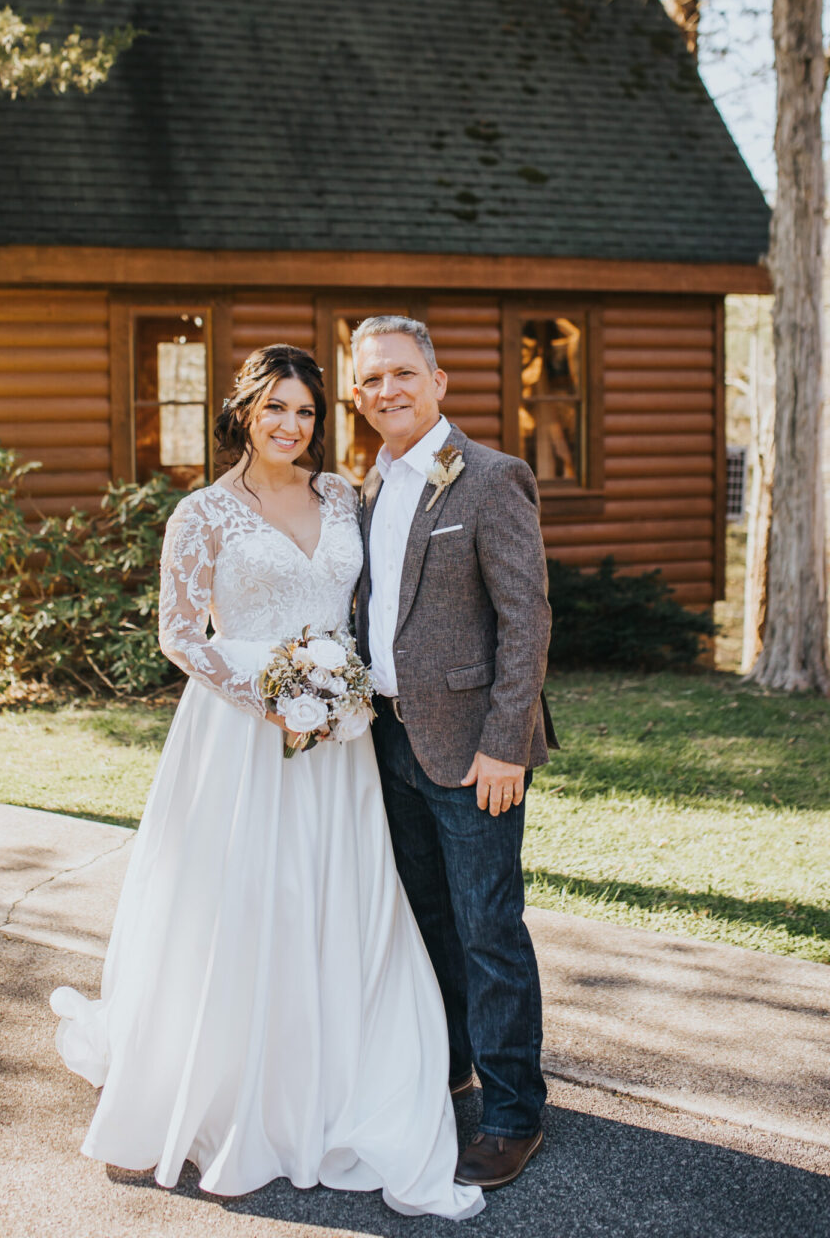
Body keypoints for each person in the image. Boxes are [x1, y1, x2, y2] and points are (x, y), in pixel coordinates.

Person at [49, 344, 483, 1221]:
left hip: (340, 738)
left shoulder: (338, 496)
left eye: (308, 412)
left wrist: (333, 690)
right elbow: (178, 633)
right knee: (242, 900)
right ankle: (232, 1087)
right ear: (244, 410)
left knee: (340, 896)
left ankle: (347, 1078)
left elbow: (365, 605)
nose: (292, 426)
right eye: (276, 408)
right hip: (242, 734)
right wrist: (272, 696)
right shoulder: (203, 512)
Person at [351, 315, 555, 1192]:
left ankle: (513, 1115)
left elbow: (528, 619)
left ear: (438, 382)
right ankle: (453, 1065)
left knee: (489, 932)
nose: (386, 391)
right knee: (428, 922)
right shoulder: (368, 484)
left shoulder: (492, 478)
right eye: (369, 381)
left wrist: (506, 745)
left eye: (402, 374)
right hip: (389, 742)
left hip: (476, 753)